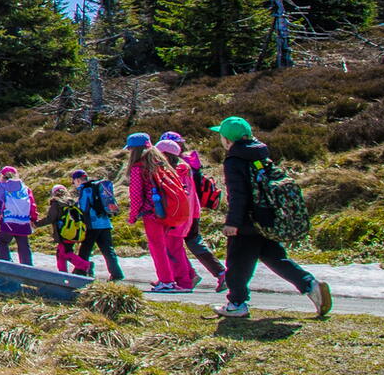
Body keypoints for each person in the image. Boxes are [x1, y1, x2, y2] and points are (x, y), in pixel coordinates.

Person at [213, 116, 332, 319]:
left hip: (247, 221)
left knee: (237, 262)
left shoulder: (234, 160)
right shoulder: (260, 153)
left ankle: (237, 303)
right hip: (268, 216)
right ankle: (310, 285)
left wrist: (233, 223)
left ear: (227, 139)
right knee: (275, 257)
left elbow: (238, 194)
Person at [125, 133, 195, 291]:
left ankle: (166, 281)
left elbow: (136, 194)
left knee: (157, 248)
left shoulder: (138, 166)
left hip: (152, 213)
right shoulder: (160, 162)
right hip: (167, 211)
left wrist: (133, 216)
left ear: (134, 150)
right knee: (169, 247)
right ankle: (180, 280)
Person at [164, 130, 228, 292]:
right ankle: (215, 273)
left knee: (174, 244)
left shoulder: (177, 165)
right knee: (193, 242)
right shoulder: (192, 162)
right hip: (194, 209)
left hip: (182, 210)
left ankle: (191, 275)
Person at [73, 168, 124, 281]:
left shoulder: (85, 189)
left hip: (92, 225)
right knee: (108, 250)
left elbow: (84, 208)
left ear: (77, 180)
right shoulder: (97, 187)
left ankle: (80, 271)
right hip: (105, 223)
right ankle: (117, 274)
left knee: (85, 249)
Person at [39, 183, 92, 275]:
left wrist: (36, 224)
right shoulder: (73, 203)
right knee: (60, 254)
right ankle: (62, 273)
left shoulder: (56, 204)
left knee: (65, 253)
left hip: (63, 233)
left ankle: (86, 265)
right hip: (74, 232)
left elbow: (50, 218)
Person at [0, 166, 36, 265]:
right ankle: (28, 268)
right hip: (24, 221)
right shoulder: (25, 189)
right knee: (23, 246)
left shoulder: (4, 187)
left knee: (2, 242)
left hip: (8, 221)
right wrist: (33, 218)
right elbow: (32, 204)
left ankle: (7, 264)